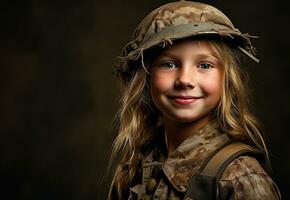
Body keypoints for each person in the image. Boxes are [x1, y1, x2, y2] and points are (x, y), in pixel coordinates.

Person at [108, 1, 281, 199]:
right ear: (146, 77)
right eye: (169, 64)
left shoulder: (240, 178)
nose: (185, 80)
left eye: (205, 65)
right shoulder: (133, 169)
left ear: (227, 79)